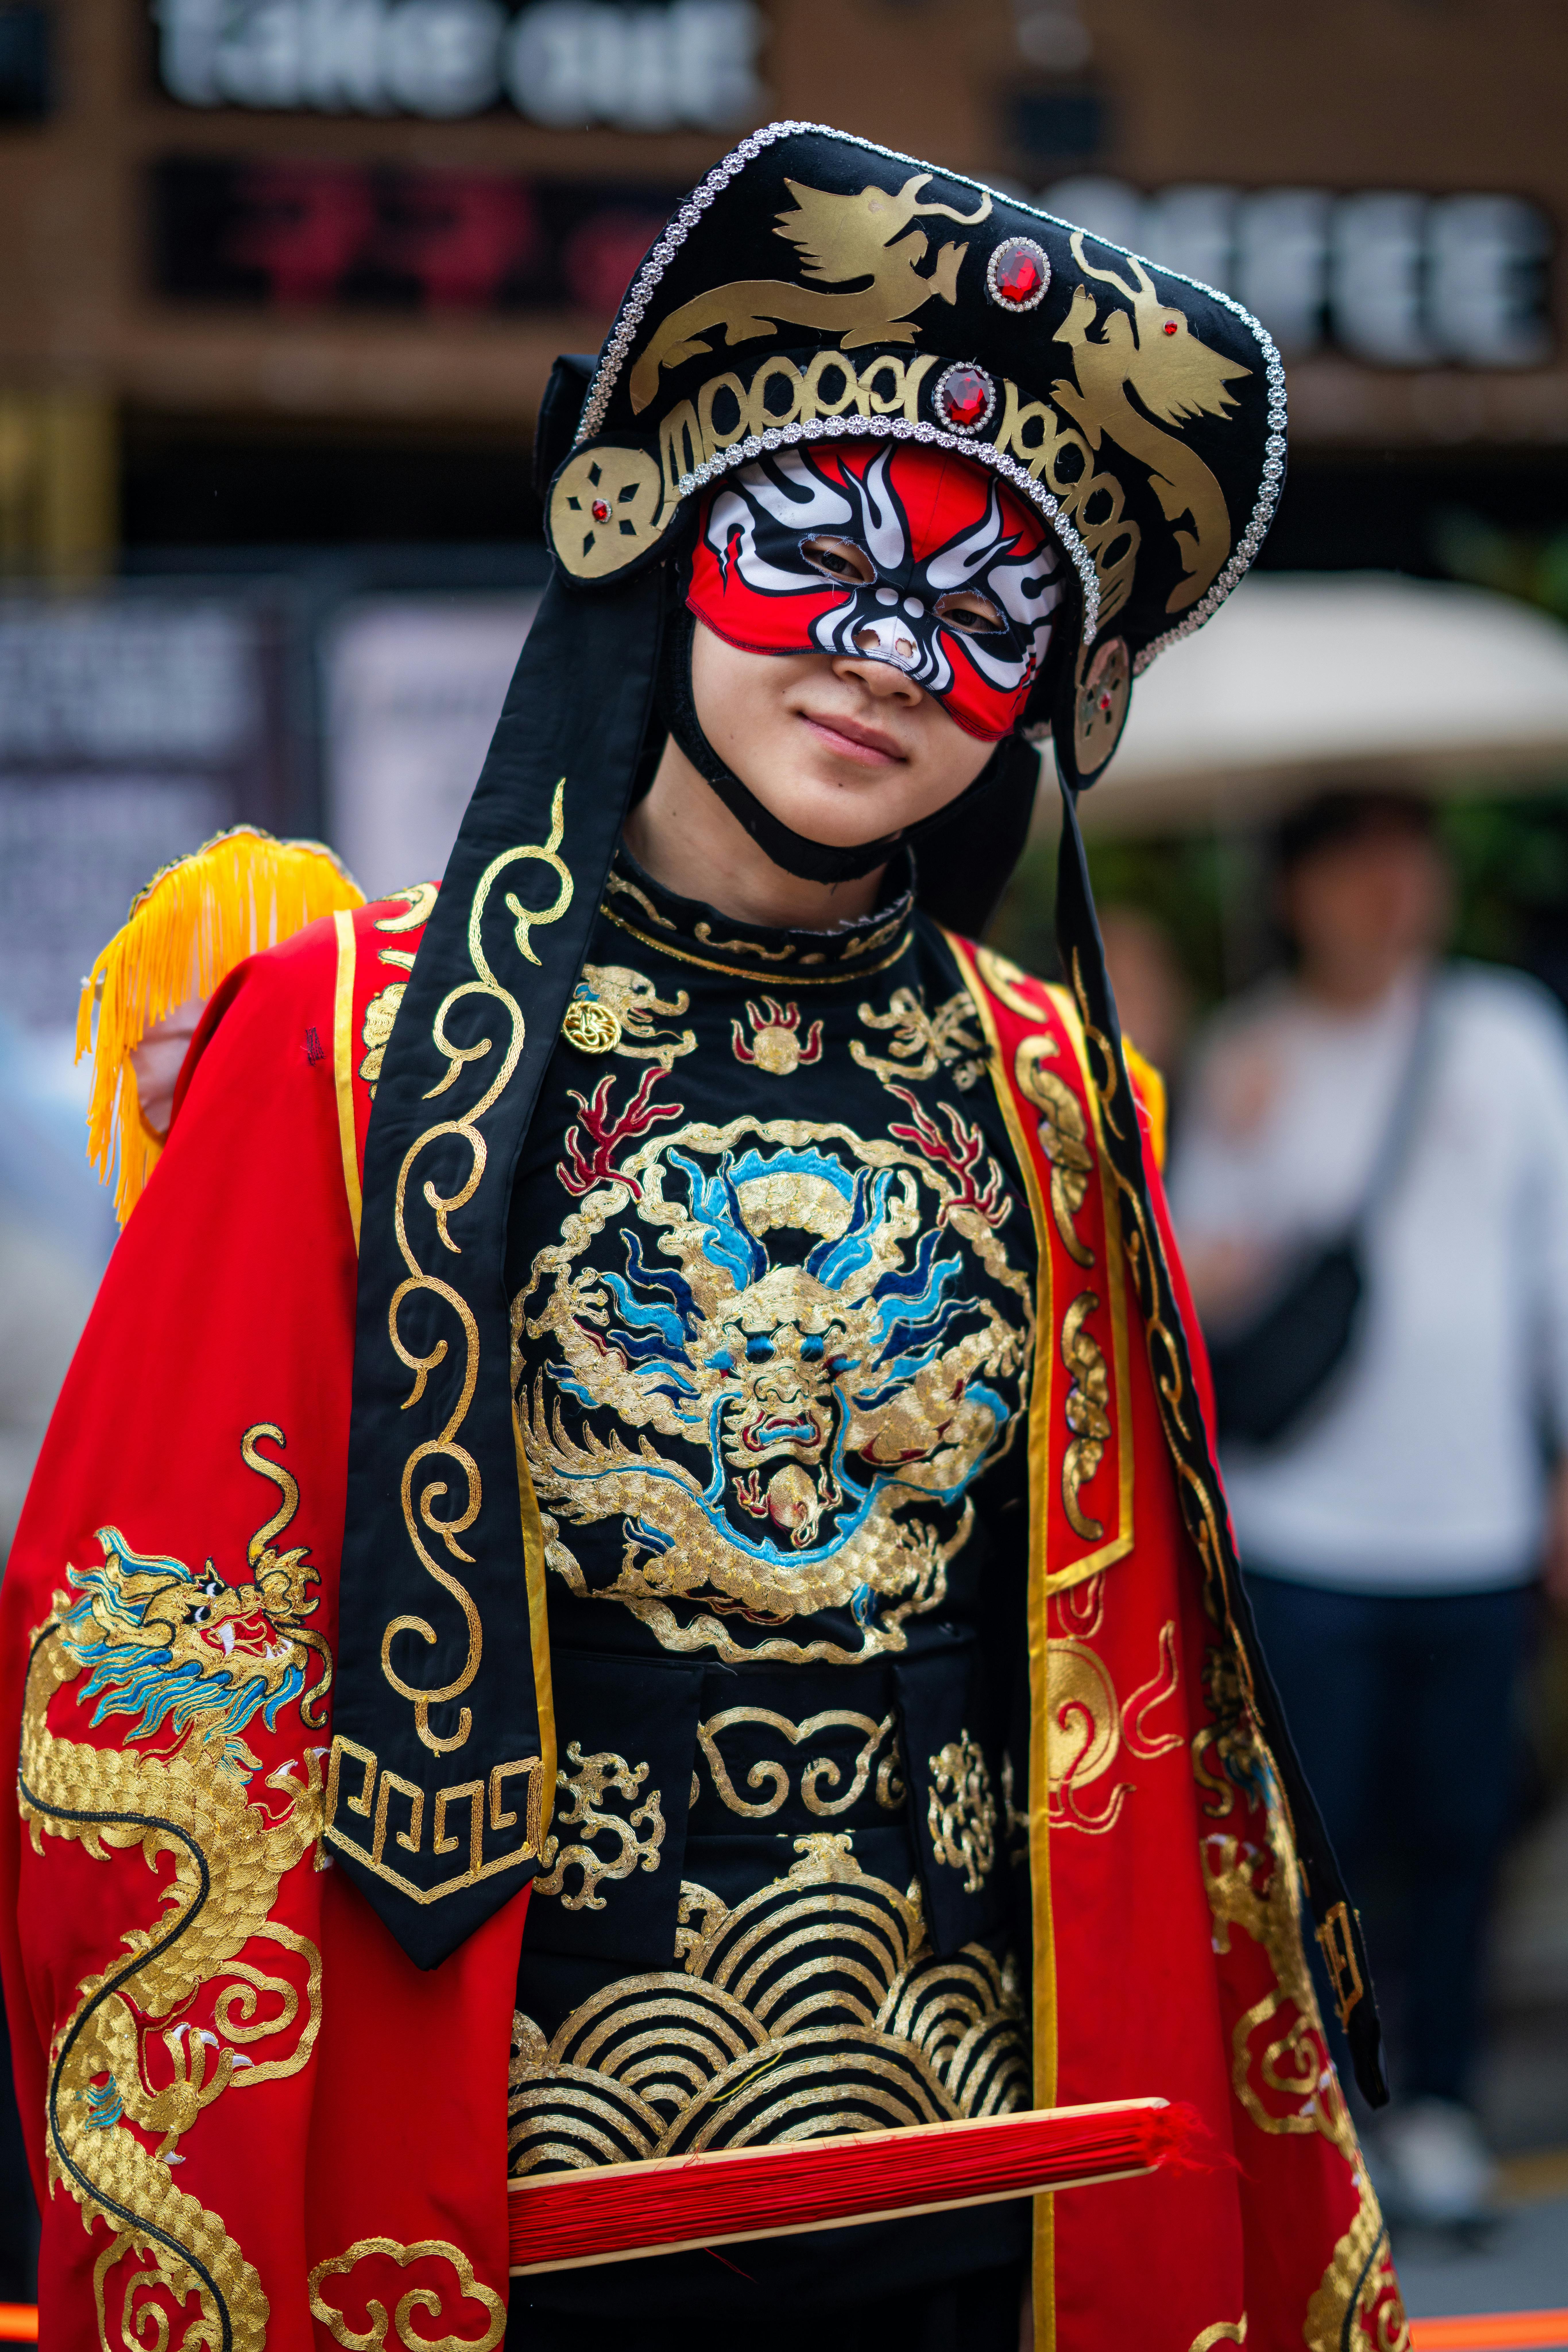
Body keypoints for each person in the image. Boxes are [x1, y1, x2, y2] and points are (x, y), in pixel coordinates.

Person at [1, 126, 1406, 2350]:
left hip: (980, 2218)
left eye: (983, 610)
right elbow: (152, 1676)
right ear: (657, 526)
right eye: (817, 557)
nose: (883, 658)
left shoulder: (1054, 1096)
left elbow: (1156, 1715)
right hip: (502, 2245)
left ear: (1053, 691)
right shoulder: (344, 1044)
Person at [1169, 786, 1568, 2228]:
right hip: (1304, 1528)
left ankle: (1445, 2102)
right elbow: (1193, 1286)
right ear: (1295, 890)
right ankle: (1327, 2105)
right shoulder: (1249, 1052)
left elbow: (1557, 1266)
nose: (1394, 892)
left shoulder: (1512, 1038)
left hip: (1474, 1516)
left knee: (1462, 1825)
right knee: (1315, 1841)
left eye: (1415, 861)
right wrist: (1226, 1127)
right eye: (1360, 868)